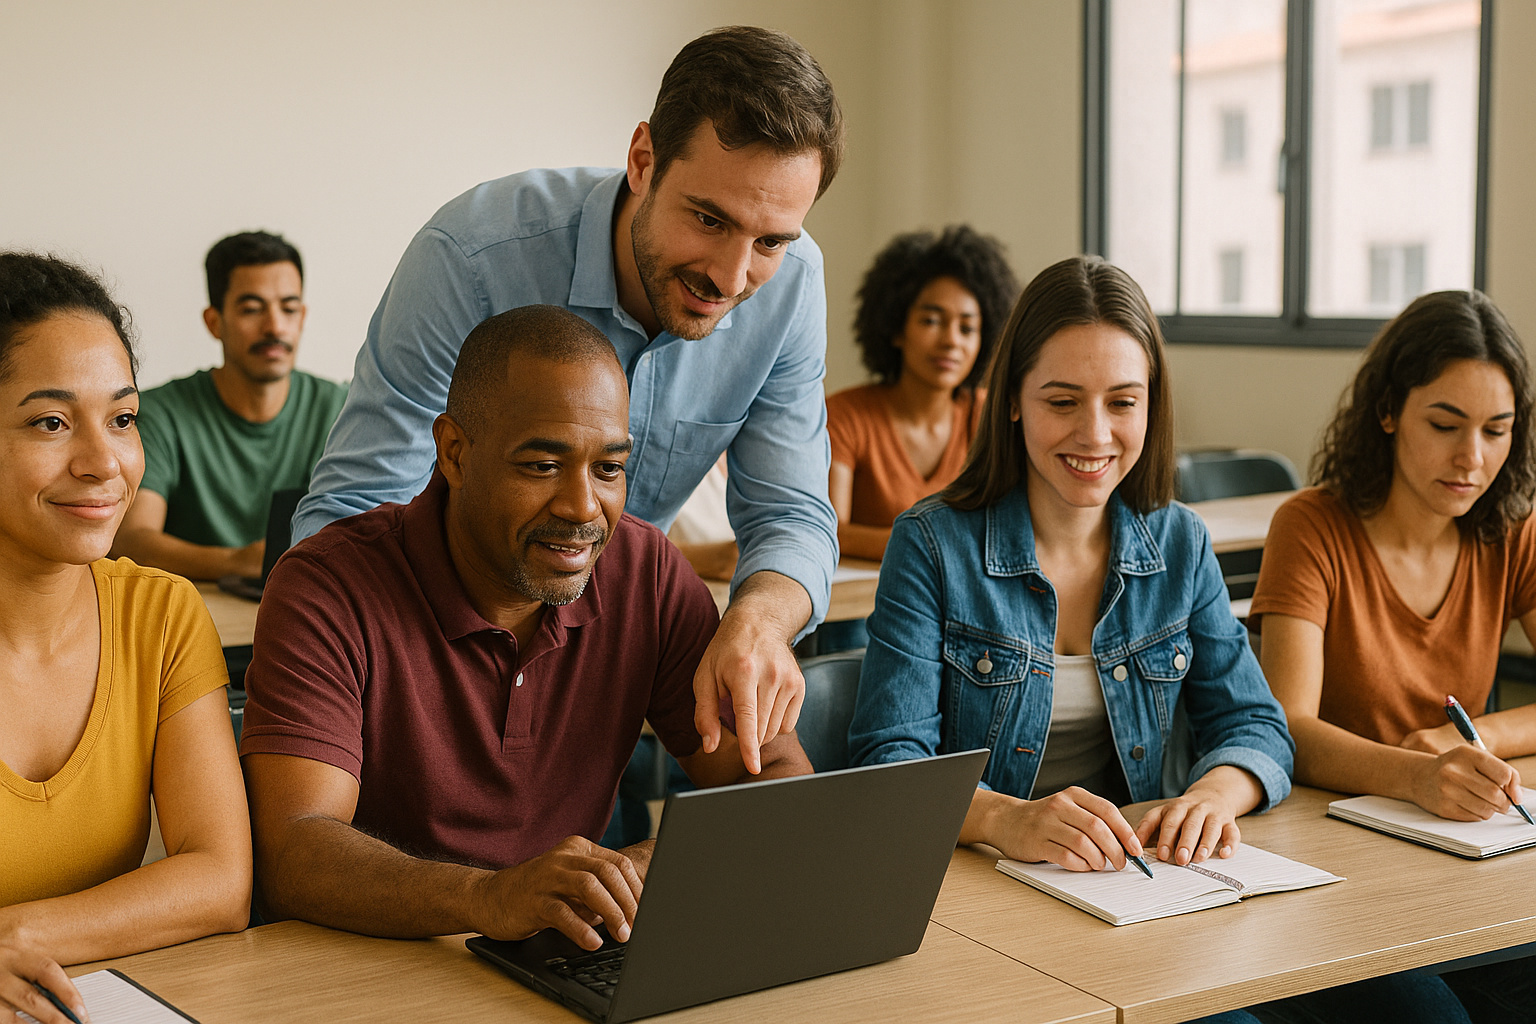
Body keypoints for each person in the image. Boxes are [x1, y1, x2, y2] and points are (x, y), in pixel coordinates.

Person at [846, 255, 1469, 1024]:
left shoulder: (1178, 542)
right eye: (1062, 400)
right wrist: (1010, 819)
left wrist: (1213, 796)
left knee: (1425, 1012)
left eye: (1123, 402)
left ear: (1152, 405)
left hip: (1155, 882)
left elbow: (1256, 725)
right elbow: (889, 763)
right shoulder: (932, 544)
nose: (1096, 433)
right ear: (1011, 401)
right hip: (1002, 903)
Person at [293, 27, 845, 773]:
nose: (731, 274)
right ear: (643, 161)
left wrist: (758, 620)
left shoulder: (794, 283)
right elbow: (354, 511)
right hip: (436, 683)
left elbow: (792, 513)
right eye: (709, 220)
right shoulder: (474, 257)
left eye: (771, 240)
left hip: (609, 687)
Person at [240, 305, 811, 946]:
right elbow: (296, 851)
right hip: (364, 966)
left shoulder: (644, 572)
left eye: (609, 468)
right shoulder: (328, 584)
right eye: (541, 466)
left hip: (558, 954)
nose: (582, 507)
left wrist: (656, 864)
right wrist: (488, 897)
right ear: (453, 453)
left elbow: (778, 777)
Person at [1251, 289, 1536, 1024]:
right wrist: (1417, 774)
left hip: (1461, 863)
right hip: (1334, 865)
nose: (1472, 459)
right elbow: (1289, 728)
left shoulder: (1509, 530)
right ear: (1387, 413)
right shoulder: (1312, 526)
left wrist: (1467, 735)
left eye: (1497, 430)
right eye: (1445, 424)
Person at [0, 253, 251, 1023]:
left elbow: (219, 879)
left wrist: (16, 934)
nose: (105, 462)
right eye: (51, 421)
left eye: (122, 418)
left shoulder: (161, 616)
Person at [112, 231, 347, 581]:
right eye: (252, 309)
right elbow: (131, 541)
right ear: (214, 322)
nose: (275, 327)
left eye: (289, 308)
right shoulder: (161, 413)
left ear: (302, 317)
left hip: (310, 608)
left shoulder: (342, 408)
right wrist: (239, 562)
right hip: (197, 619)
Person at [827, 225, 1018, 560]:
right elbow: (829, 532)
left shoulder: (990, 416)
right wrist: (936, 545)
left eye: (968, 328)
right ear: (896, 329)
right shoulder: (844, 417)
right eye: (932, 321)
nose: (951, 341)